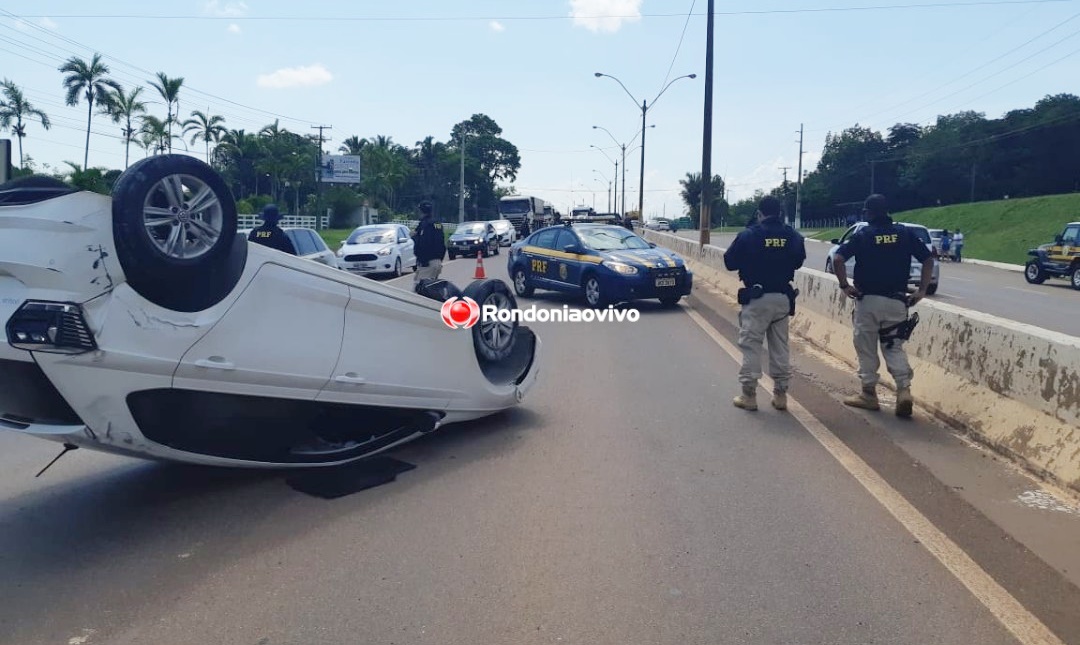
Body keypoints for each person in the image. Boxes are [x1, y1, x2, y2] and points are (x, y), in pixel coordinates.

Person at [832, 194, 933, 417]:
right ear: (887, 211)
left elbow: (838, 259)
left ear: (868, 212)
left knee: (865, 346)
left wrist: (844, 285)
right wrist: (922, 289)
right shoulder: (905, 234)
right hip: (897, 301)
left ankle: (869, 394)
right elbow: (928, 259)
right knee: (893, 346)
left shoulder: (863, 235)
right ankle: (904, 391)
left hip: (868, 301)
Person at [723, 195, 806, 412]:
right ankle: (780, 395)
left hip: (757, 298)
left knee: (751, 345)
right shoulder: (792, 235)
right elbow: (798, 261)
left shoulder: (750, 235)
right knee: (780, 347)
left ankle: (749, 395)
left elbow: (729, 262)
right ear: (779, 213)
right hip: (782, 299)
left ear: (760, 213)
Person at [412, 201, 446, 289]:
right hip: (437, 262)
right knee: (431, 291)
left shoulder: (425, 225)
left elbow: (423, 244)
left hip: (427, 264)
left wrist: (414, 237)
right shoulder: (437, 223)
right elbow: (441, 241)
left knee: (418, 293)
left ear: (421, 211)